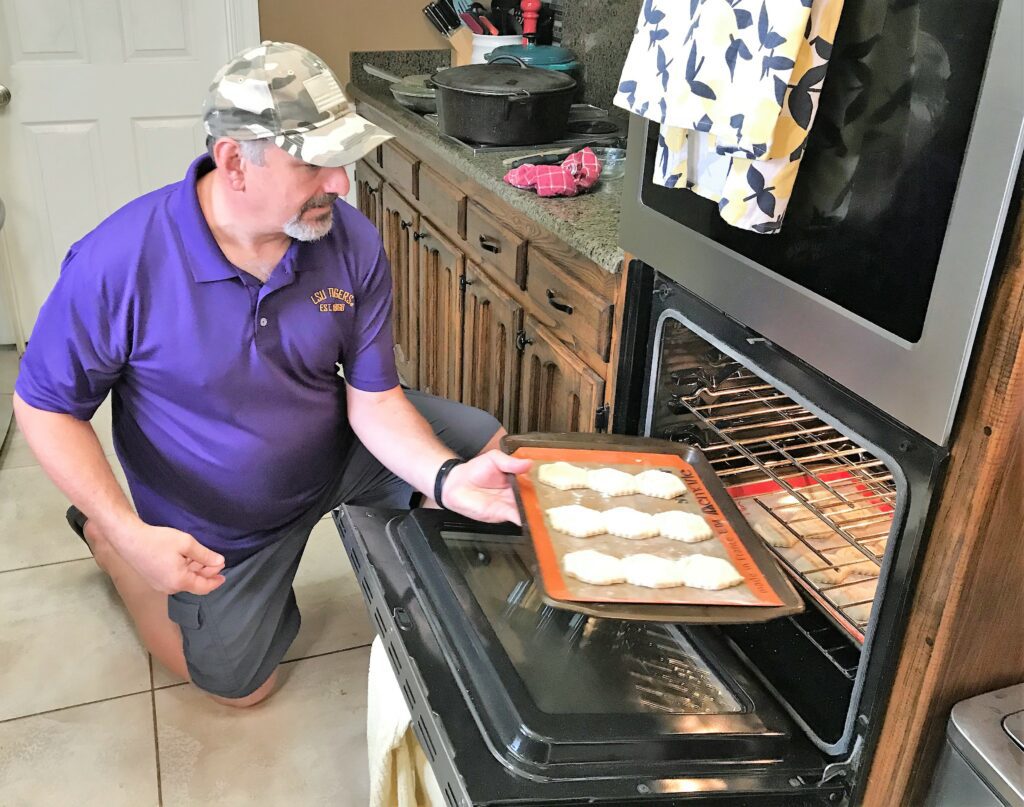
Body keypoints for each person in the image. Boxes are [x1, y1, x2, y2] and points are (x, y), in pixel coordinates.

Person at [12, 41, 530, 708]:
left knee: (481, 451)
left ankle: (434, 606)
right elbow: (45, 406)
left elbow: (374, 400)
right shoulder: (119, 263)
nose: (343, 184)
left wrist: (444, 477)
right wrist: (129, 532)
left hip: (336, 447)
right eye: (317, 163)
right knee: (241, 689)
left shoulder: (349, 242)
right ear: (235, 162)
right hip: (220, 519)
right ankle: (107, 544)